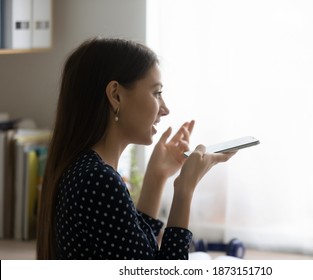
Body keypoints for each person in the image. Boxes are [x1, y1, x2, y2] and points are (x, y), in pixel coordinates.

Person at [37, 37, 235, 259]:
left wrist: (156, 177)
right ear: (115, 95)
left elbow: (131, 250)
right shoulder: (98, 180)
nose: (165, 109)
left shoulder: (83, 170)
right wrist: (184, 189)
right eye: (157, 93)